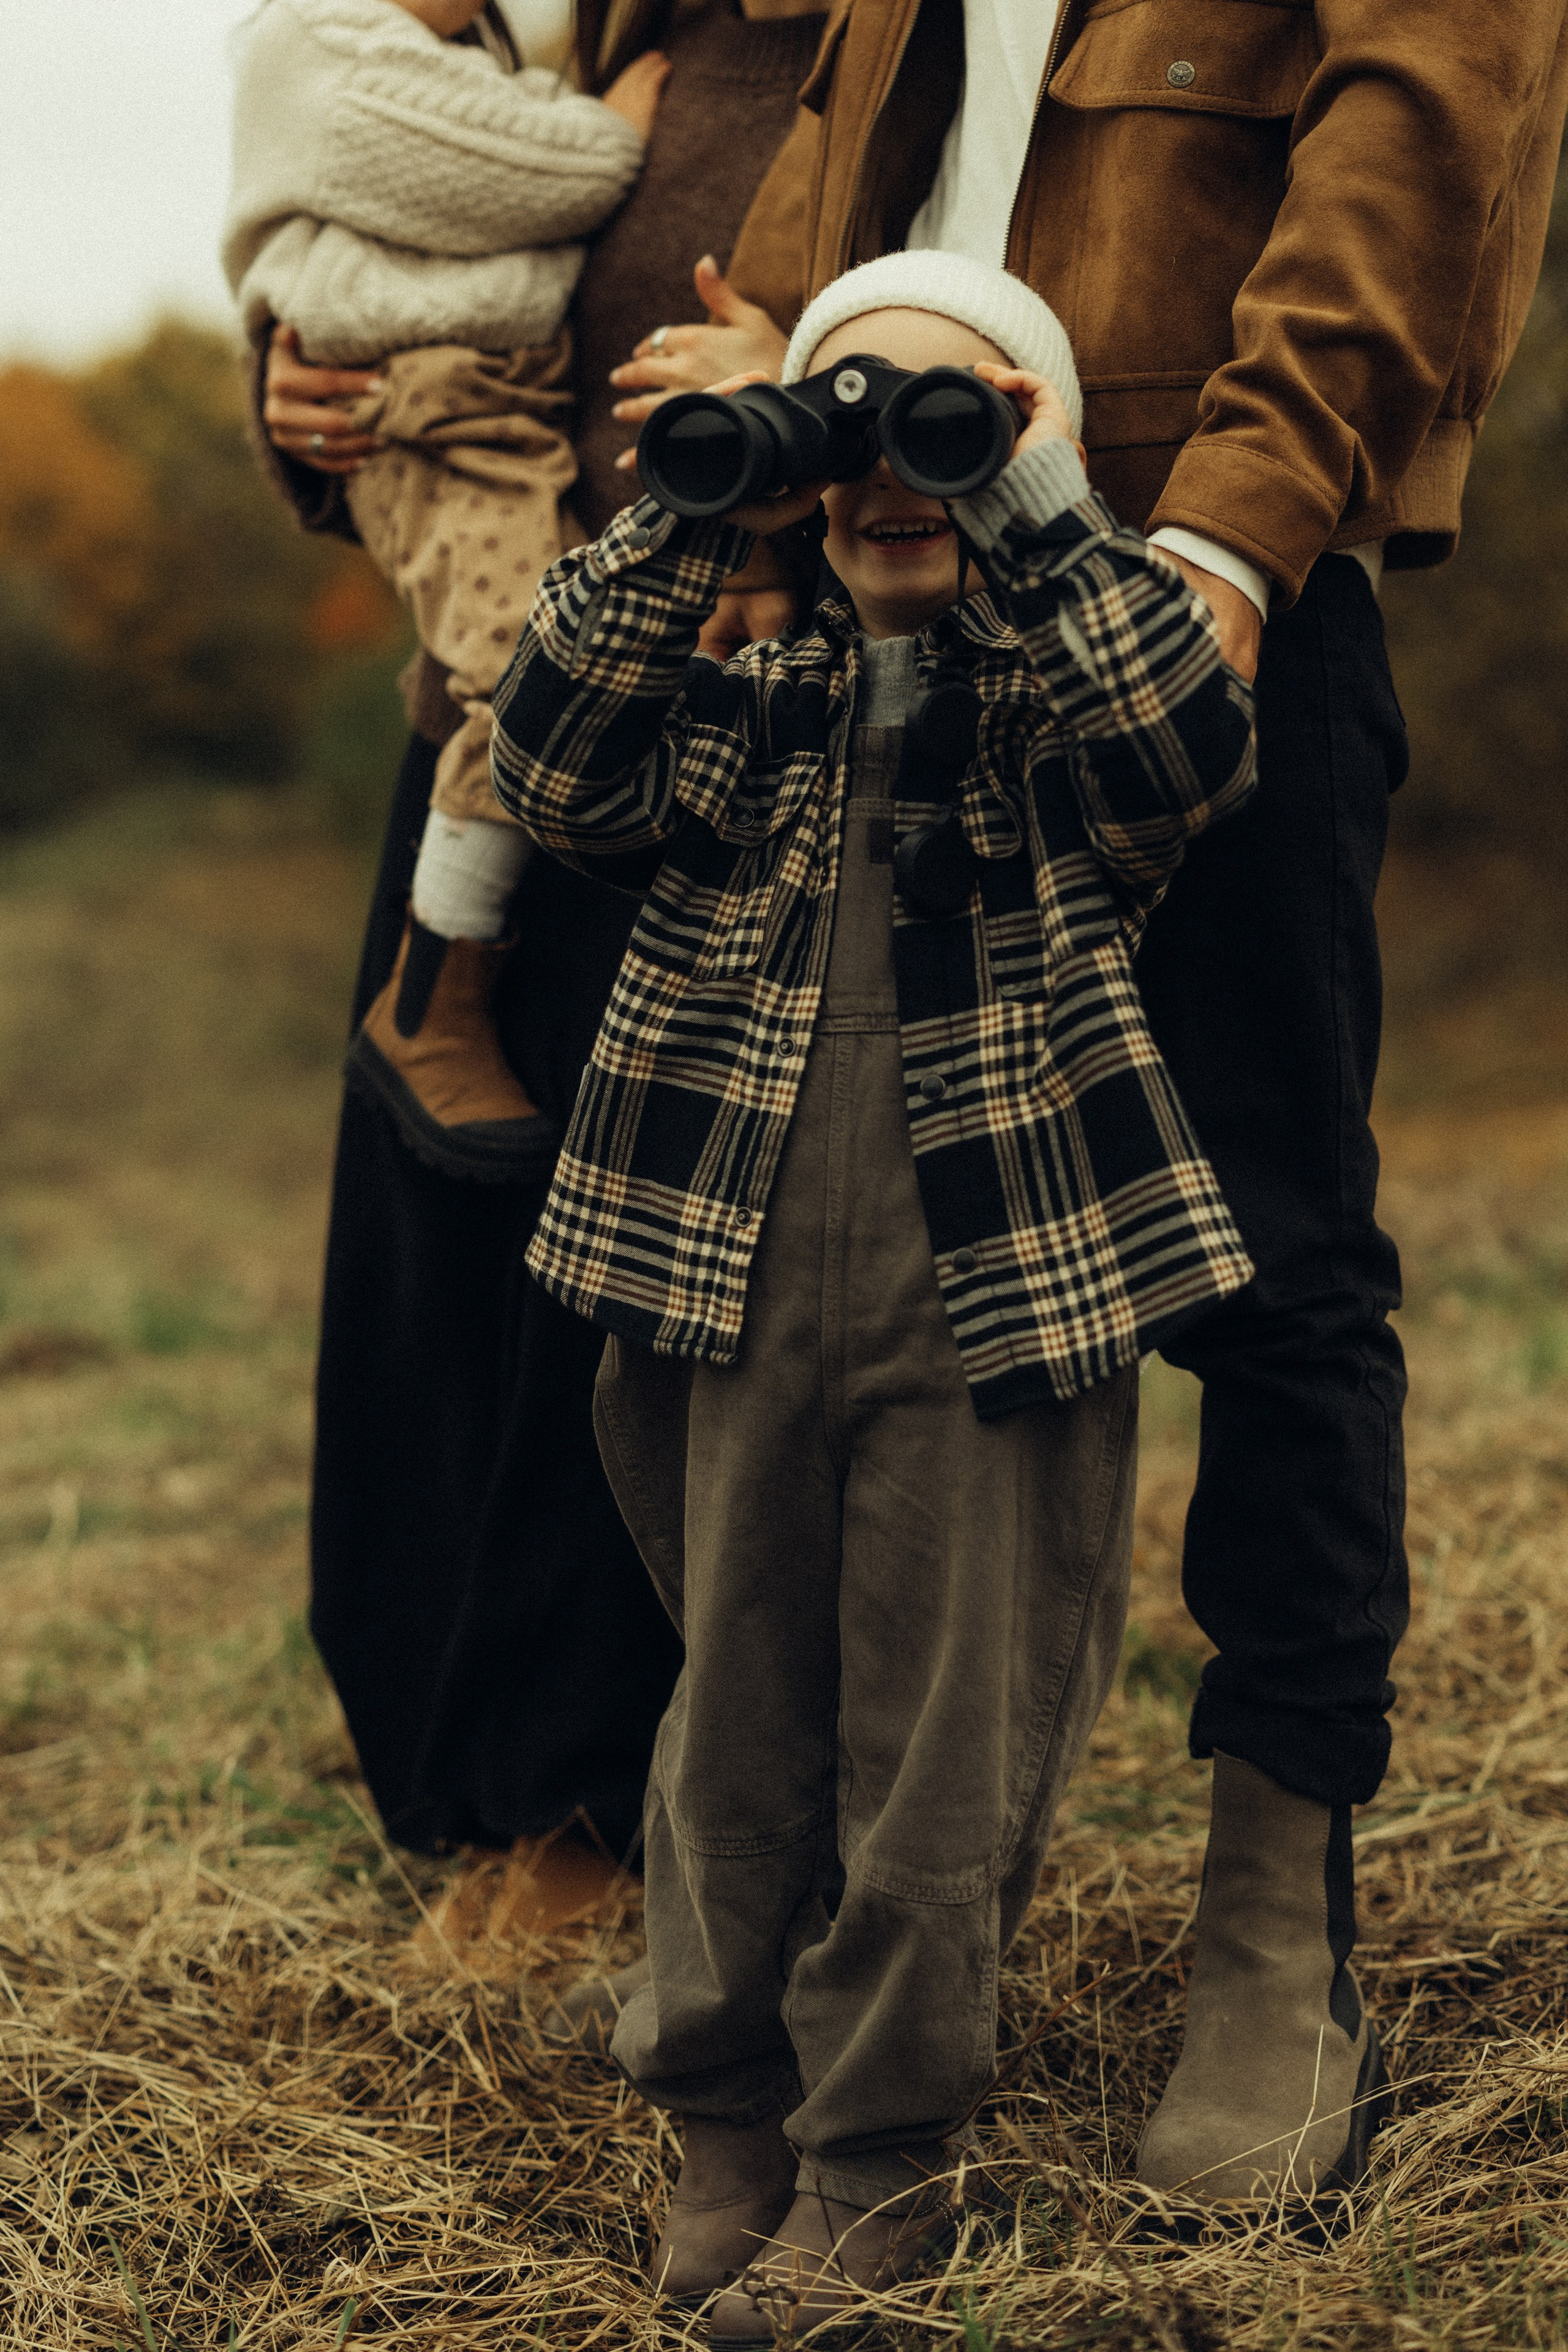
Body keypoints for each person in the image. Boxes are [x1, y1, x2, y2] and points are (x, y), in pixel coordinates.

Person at [649, 0, 1565, 2206]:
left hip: (1182, 575)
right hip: (890, 594)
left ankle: (1274, 1918)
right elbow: (807, 191)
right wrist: (762, 380)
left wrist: (1239, 536)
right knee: (871, 1279)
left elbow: (1425, 142)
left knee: (1267, 1257)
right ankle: (870, 1925)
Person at [489, 251, 1259, 2331]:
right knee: (731, 1721)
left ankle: (880, 2151)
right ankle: (728, 2101)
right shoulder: (750, 700)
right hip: (717, 1283)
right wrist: (699, 498)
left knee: (940, 1745)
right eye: (861, 430)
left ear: (1037, 455)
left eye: (959, 419)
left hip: (988, 1310)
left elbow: (1189, 744)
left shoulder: (1061, 723)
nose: (897, 466)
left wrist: (1018, 496)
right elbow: (550, 765)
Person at [244, 0, 826, 1936]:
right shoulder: (587, 44)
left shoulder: (890, 61)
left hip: (729, 722)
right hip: (502, 716)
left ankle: (589, 1801)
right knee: (439, 1250)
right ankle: (457, 1779)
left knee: (622, 1281)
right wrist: (296, 394)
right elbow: (417, 256)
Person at [224, 0, 671, 1178]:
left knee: (551, 652)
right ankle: (434, 994)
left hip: (497, 408)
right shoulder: (316, 50)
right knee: (526, 665)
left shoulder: (473, 54)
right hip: (430, 413)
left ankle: (448, 986)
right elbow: (553, 176)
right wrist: (603, 128)